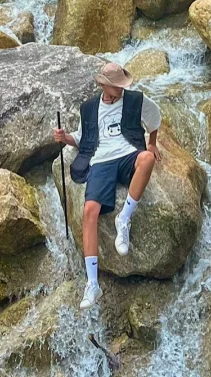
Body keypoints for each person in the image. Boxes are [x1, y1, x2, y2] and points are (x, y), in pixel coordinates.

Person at [54, 60, 161, 310]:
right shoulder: (90, 108)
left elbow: (155, 119)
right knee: (89, 211)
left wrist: (153, 143)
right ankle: (93, 284)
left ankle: (123, 219)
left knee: (146, 159)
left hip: (128, 155)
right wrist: (64, 138)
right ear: (104, 85)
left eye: (121, 85)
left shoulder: (135, 100)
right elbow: (82, 139)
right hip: (101, 161)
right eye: (116, 86)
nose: (120, 90)